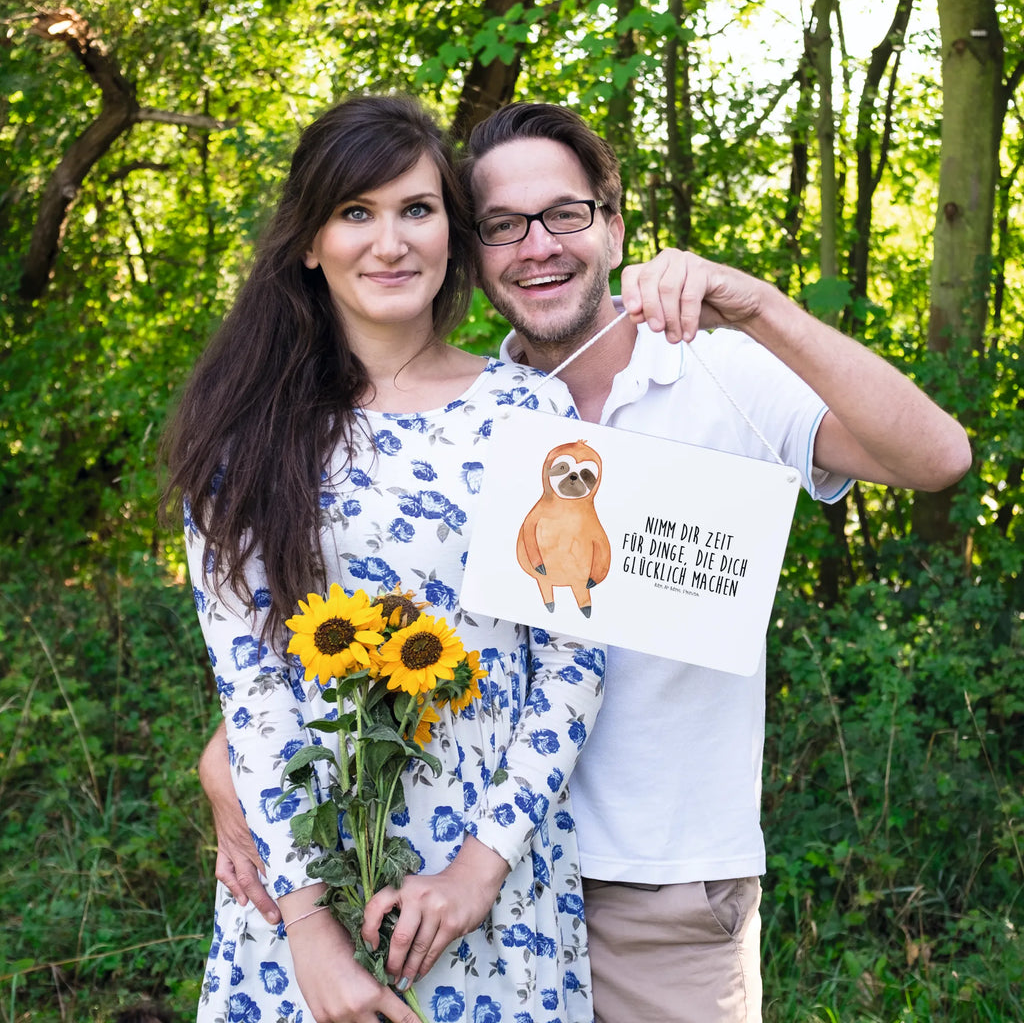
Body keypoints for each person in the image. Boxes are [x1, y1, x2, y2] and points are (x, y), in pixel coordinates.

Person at [201, 102, 972, 1023]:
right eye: (503, 225)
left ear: (613, 226)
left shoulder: (708, 374)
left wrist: (757, 305)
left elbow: (938, 458)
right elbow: (332, 626)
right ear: (474, 248)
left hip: (649, 887)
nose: (537, 246)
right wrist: (233, 757)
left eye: (564, 214)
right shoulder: (463, 414)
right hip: (415, 871)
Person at [162, 95, 609, 1023]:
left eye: (417, 209)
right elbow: (253, 688)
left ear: (453, 230)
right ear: (309, 242)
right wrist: (310, 933)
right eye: (355, 212)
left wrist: (478, 872)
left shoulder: (530, 412)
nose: (391, 242)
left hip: (492, 881)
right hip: (303, 877)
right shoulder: (245, 436)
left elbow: (574, 659)